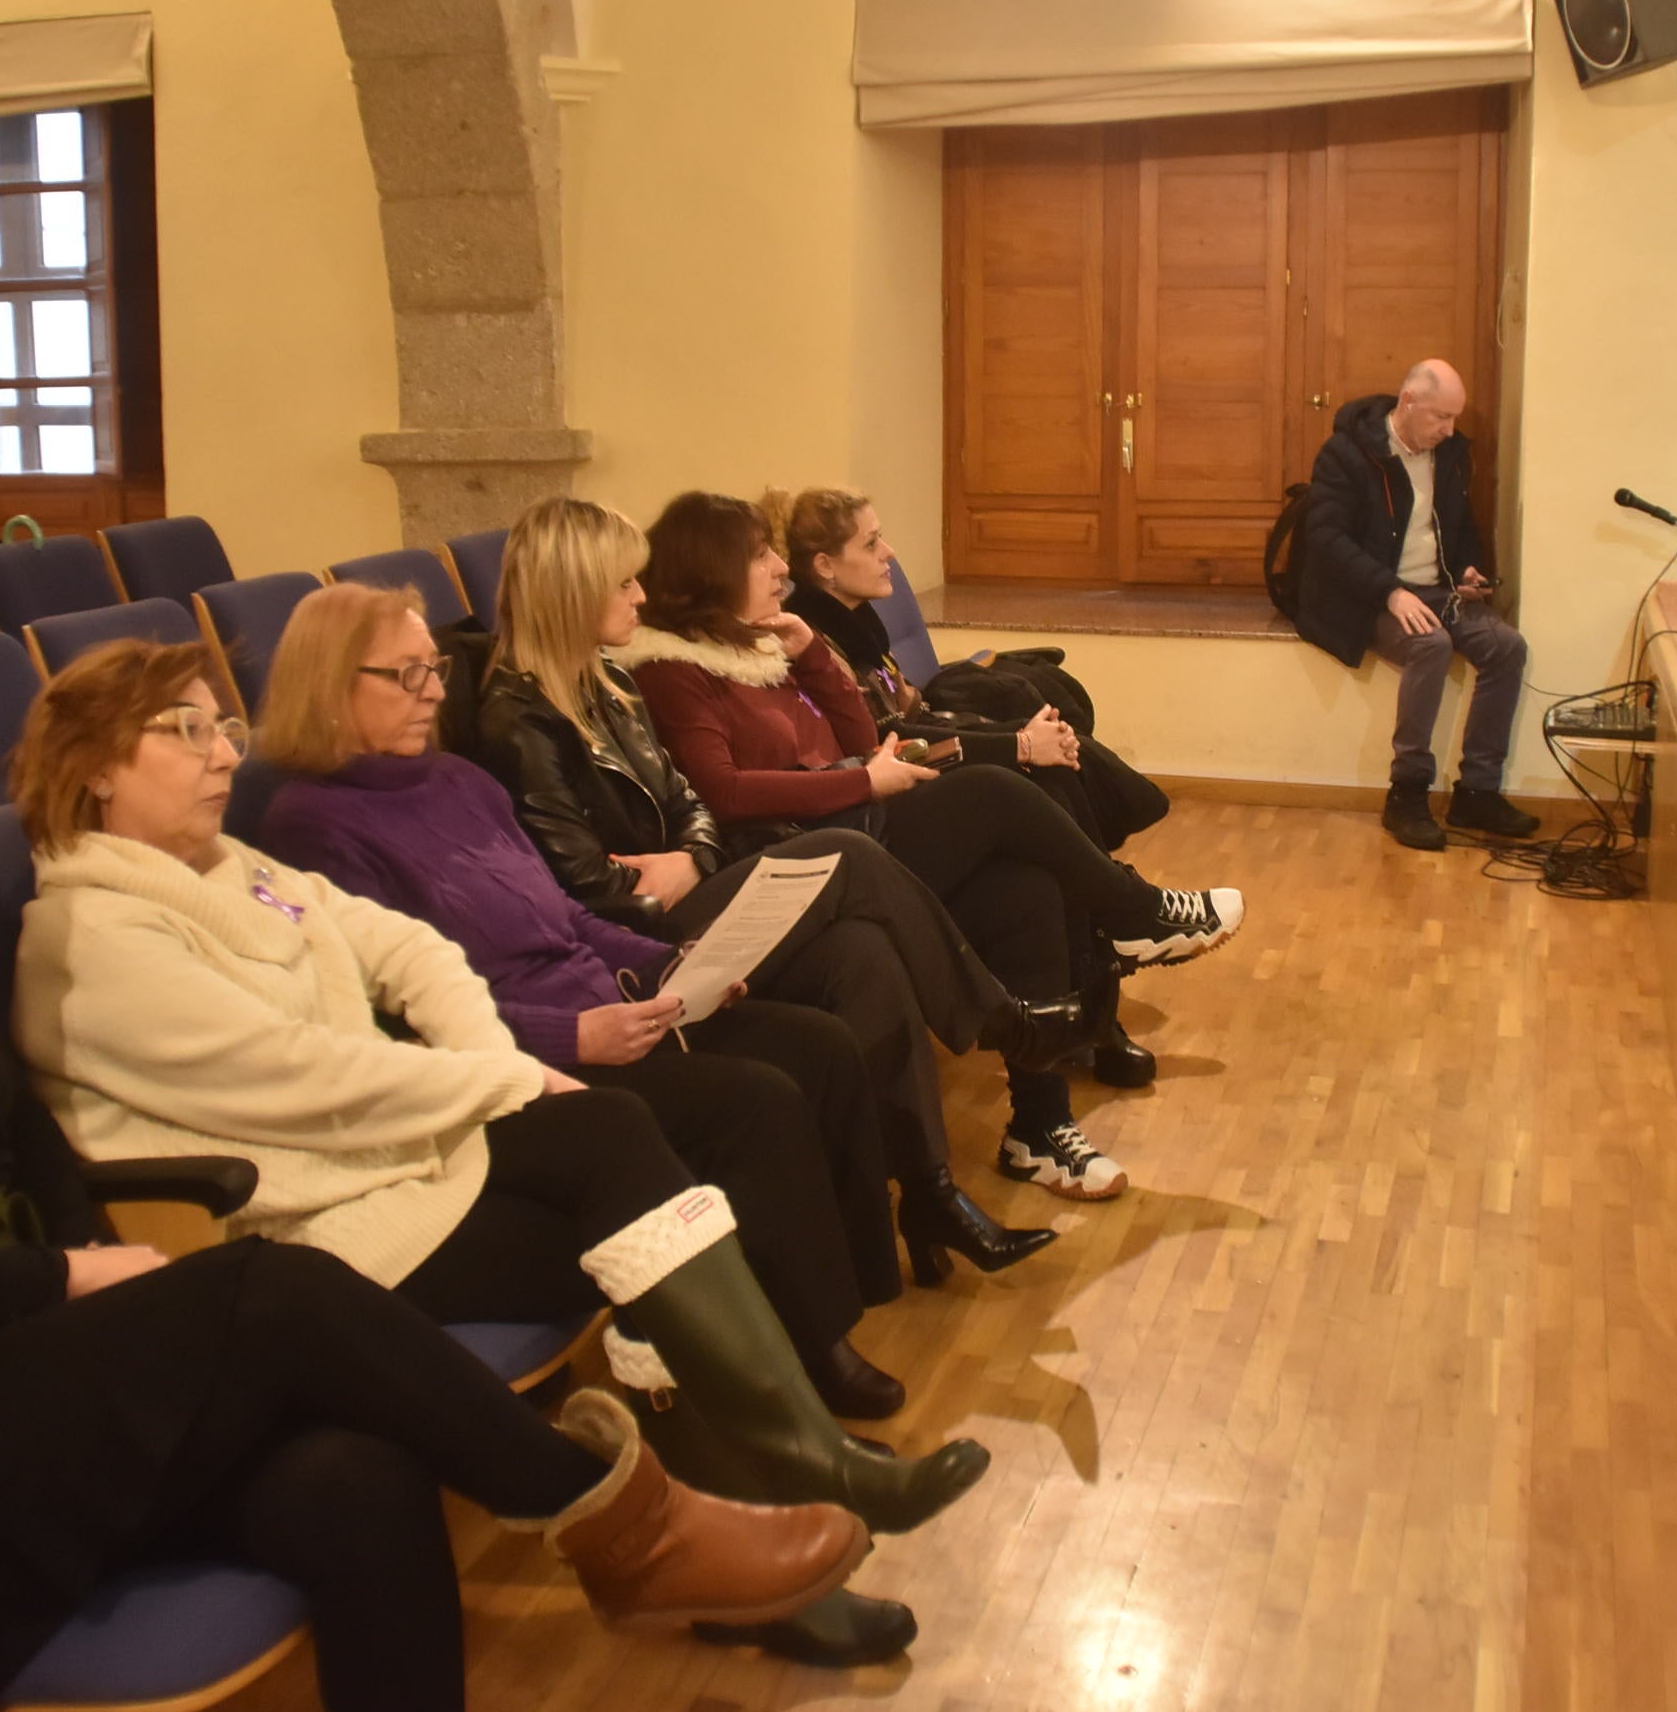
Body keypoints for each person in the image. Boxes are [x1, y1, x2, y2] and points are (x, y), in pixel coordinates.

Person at [0, 602, 864, 1712]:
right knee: (276, 1287)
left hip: (38, 1357)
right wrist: (74, 1275)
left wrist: (98, 1264)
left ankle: (658, 1517)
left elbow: (21, 1129)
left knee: (357, 1478)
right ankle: (621, 1524)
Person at [8, 638, 991, 1550]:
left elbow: (410, 951)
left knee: (618, 1141)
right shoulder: (92, 936)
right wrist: (512, 1073)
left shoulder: (230, 866)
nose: (224, 753)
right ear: (93, 766)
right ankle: (773, 1496)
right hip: (301, 1230)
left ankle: (779, 1491)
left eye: (223, 726)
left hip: (395, 1165)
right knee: (641, 1196)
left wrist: (499, 1059)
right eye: (186, 730)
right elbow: (305, 1078)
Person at [251, 579, 922, 1419]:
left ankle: (831, 1307)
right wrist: (574, 1034)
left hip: (613, 1003)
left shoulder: (457, 781)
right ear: (331, 685)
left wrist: (681, 962)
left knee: (817, 1047)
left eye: (435, 672)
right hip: (524, 1057)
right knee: (755, 1100)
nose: (434, 692)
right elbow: (390, 1021)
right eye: (407, 676)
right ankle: (802, 1356)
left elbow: (565, 916)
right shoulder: (311, 828)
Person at [465, 500, 1087, 1258]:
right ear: (571, 592)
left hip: (693, 886)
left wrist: (688, 858)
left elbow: (690, 807)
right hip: (641, 944)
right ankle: (1003, 1020)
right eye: (623, 584)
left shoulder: (604, 686)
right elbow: (586, 886)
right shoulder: (520, 720)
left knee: (865, 954)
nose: (639, 597)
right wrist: (677, 869)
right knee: (850, 855)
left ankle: (929, 1197)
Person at [623, 492, 1248, 1201]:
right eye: (761, 556)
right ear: (711, 570)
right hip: (804, 855)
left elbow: (861, 736)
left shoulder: (765, 643)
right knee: (991, 789)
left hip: (853, 821)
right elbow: (728, 793)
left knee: (1024, 891)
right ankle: (1132, 913)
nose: (778, 569)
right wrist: (862, 783)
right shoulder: (673, 670)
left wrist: (813, 655)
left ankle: (1038, 1132)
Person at [775, 485, 1171, 1089]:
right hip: (882, 800)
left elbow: (912, 707)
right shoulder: (814, 640)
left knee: (1050, 779)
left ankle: (1098, 990)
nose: (891, 553)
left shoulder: (856, 625)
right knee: (1033, 778)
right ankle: (1119, 935)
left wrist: (1016, 738)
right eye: (873, 541)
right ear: (824, 566)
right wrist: (1012, 744)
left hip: (914, 763)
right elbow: (880, 739)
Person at [1294, 360, 1538, 852]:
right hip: (1370, 594)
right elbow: (1324, 537)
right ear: (1408, 402)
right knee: (1431, 645)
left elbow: (1461, 524)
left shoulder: (1448, 454)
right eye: (1440, 417)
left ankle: (1478, 791)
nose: (1449, 430)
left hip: (1437, 589)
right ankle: (1407, 793)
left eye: (1454, 418)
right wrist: (1391, 591)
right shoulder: (1348, 454)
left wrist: (1467, 569)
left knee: (1507, 646)